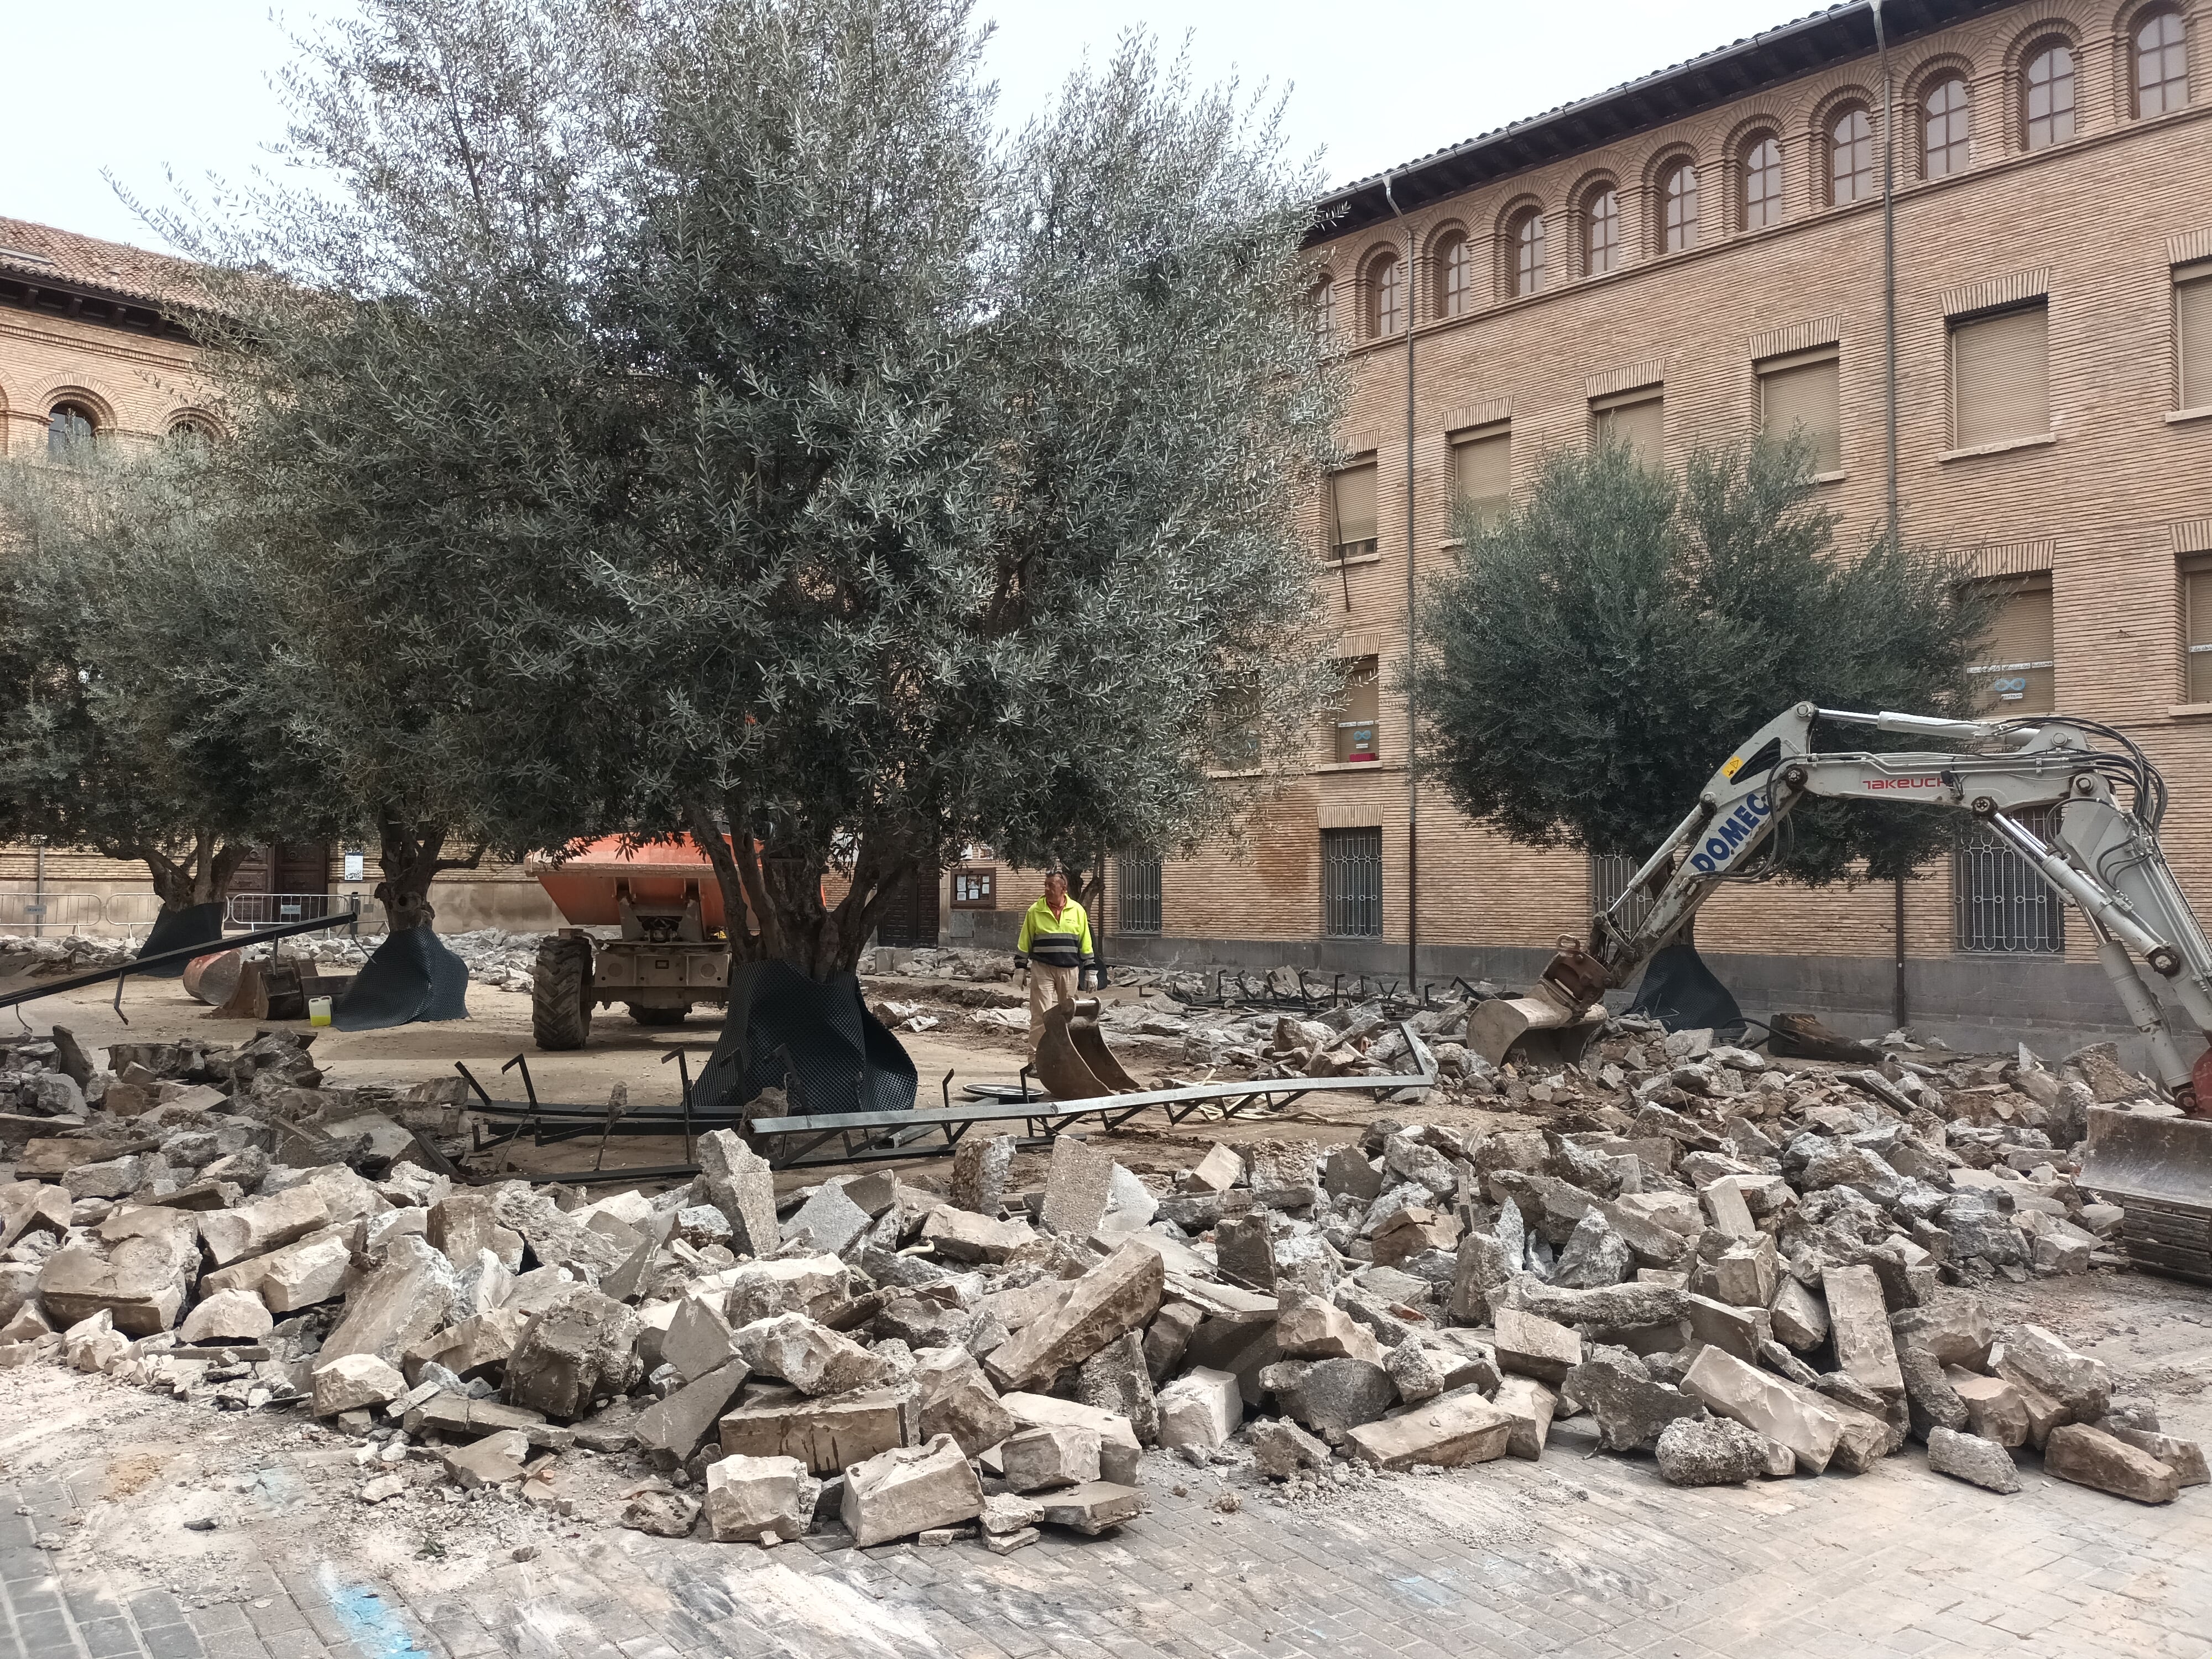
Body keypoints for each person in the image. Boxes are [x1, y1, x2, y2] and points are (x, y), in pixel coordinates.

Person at [1014, 870, 1095, 1059]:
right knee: (1040, 1015)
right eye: (1045, 885)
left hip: (1070, 970)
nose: (1047, 889)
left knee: (1069, 1014)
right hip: (1042, 969)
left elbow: (1086, 942)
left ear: (1063, 889)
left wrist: (1091, 971)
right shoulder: (1035, 911)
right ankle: (1036, 1060)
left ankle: (1067, 1058)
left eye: (1051, 885)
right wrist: (1020, 968)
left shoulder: (1077, 911)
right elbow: (1025, 941)